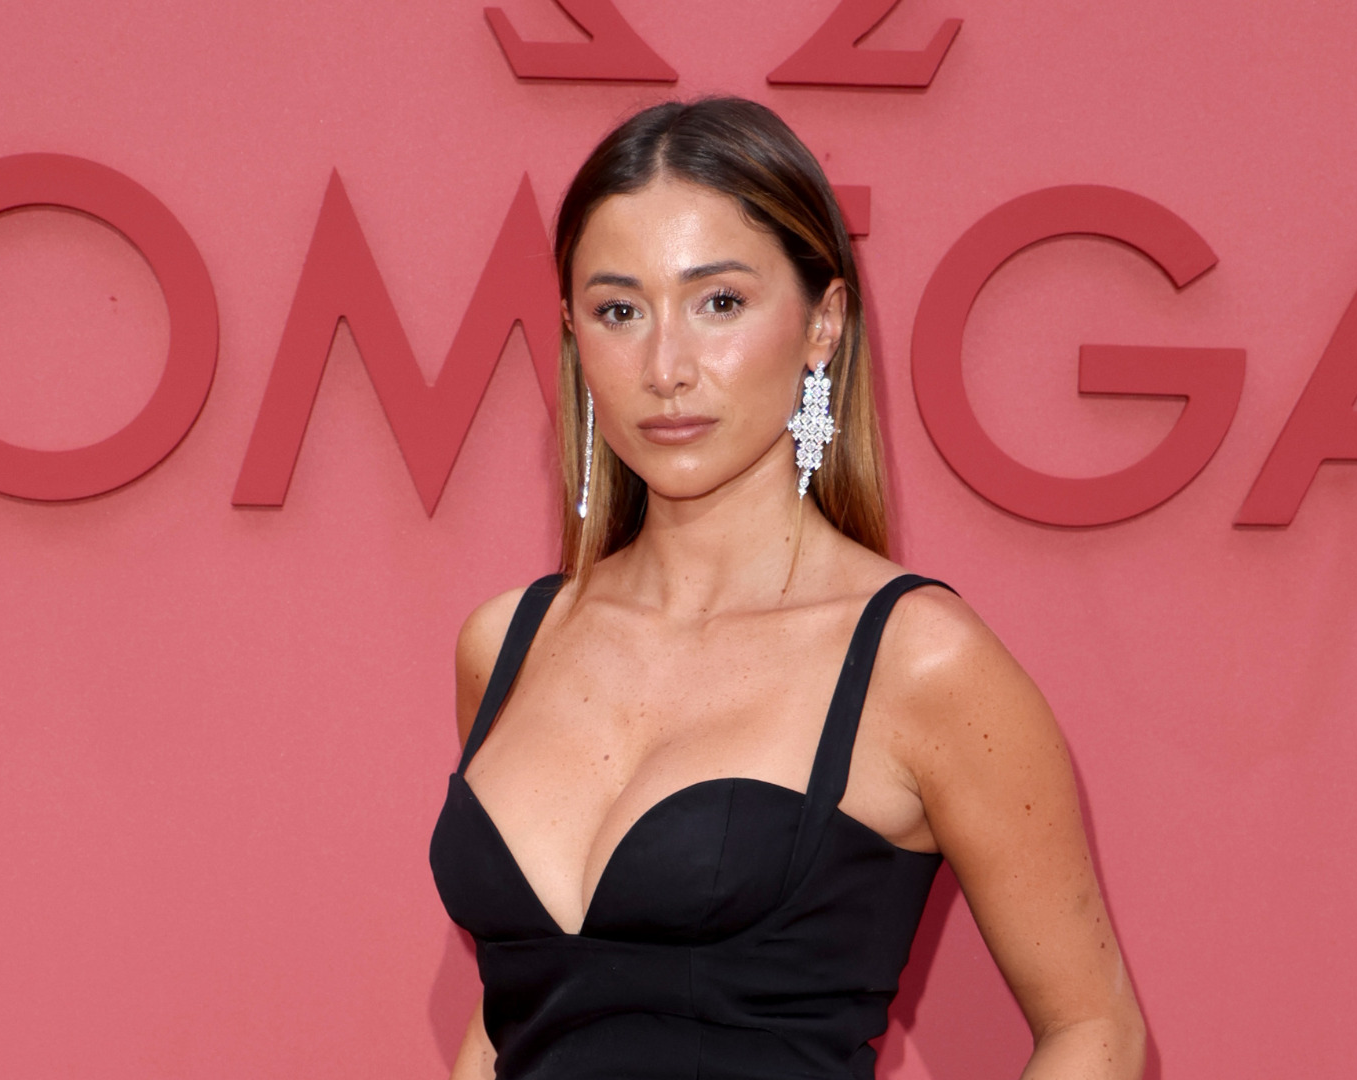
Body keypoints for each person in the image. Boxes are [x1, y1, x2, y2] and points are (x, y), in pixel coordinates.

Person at [429, 96, 1145, 1080]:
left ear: (823, 324)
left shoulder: (916, 661)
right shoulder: (509, 642)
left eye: (719, 303)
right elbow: (513, 1009)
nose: (666, 367)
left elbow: (1094, 1027)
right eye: (619, 311)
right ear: (574, 336)